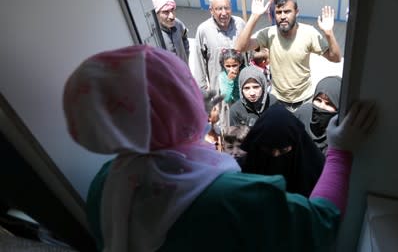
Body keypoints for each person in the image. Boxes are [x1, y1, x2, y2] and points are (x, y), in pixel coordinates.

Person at [63, 44, 377, 251]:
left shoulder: (104, 184)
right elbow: (321, 223)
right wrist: (340, 152)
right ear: (180, 103)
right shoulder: (237, 196)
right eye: (183, 86)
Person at [235, 0, 342, 113]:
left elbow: (335, 58)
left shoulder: (309, 33)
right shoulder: (269, 34)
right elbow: (239, 47)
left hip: (304, 100)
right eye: (279, 12)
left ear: (297, 12)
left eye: (287, 11)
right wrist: (254, 16)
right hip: (278, 100)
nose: (283, 16)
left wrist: (329, 34)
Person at [240, 103, 325, 196]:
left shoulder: (316, 171)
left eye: (283, 150)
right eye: (268, 150)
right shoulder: (243, 169)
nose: (276, 155)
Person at [191, 0, 246, 93]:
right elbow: (199, 63)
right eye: (219, 9)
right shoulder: (204, 30)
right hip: (219, 92)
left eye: (227, 8)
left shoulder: (240, 24)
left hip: (243, 88)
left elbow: (250, 55)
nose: (224, 13)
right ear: (211, 10)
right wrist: (203, 91)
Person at [296, 76, 342, 155]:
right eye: (318, 100)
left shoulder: (338, 134)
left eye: (328, 104)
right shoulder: (302, 115)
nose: (321, 106)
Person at [152, 0, 190, 64]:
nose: (172, 16)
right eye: (166, 12)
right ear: (156, 14)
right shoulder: (153, 35)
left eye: (172, 10)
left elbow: (184, 37)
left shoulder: (178, 23)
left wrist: (186, 55)